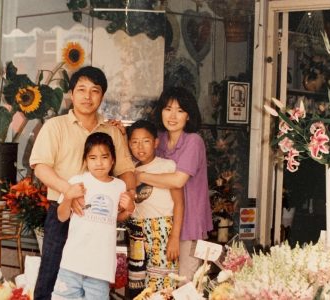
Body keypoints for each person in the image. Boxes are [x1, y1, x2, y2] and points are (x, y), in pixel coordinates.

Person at [29, 66, 135, 300]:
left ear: (102, 96)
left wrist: (129, 196)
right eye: (81, 89)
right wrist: (68, 191)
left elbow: (127, 170)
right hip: (63, 212)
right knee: (52, 274)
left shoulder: (113, 131)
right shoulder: (55, 126)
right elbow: (40, 166)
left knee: (95, 281)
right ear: (71, 94)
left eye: (94, 91)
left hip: (98, 217)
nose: (87, 96)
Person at [136, 87, 213, 283]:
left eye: (180, 110)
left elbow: (178, 180)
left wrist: (141, 175)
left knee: (185, 284)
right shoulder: (159, 139)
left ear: (188, 115)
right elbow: (138, 151)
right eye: (168, 108)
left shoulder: (193, 141)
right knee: (162, 284)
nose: (172, 115)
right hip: (162, 223)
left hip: (188, 224)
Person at [52, 132, 134, 300]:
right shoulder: (77, 181)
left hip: (100, 268)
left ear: (112, 160)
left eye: (104, 157)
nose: (99, 163)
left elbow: (114, 219)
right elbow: (61, 217)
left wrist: (129, 209)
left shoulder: (119, 186)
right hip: (72, 263)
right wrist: (68, 196)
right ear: (85, 160)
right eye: (93, 157)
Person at [125, 120, 184, 297]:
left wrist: (174, 237)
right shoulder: (130, 170)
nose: (140, 147)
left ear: (156, 142)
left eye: (146, 141)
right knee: (139, 286)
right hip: (136, 232)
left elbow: (179, 203)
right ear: (128, 144)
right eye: (134, 142)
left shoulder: (167, 166)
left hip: (162, 231)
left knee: (163, 285)